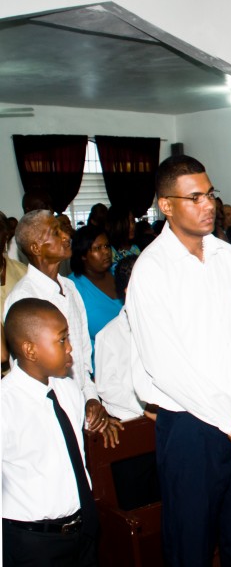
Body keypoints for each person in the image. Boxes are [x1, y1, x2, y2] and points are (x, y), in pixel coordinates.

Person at [126, 155, 231, 565]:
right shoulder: (152, 271)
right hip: (193, 428)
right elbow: (166, 365)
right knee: (190, 546)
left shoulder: (227, 257)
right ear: (166, 205)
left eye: (210, 194)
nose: (208, 205)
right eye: (194, 197)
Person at [2, 300, 107, 567]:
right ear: (30, 350)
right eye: (61, 340)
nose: (70, 347)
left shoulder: (67, 389)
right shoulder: (7, 405)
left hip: (82, 529)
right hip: (34, 541)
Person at [5, 212, 97, 404]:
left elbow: (82, 350)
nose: (66, 236)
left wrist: (90, 397)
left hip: (81, 402)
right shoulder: (23, 298)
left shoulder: (70, 287)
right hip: (52, 405)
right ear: (36, 248)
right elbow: (26, 370)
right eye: (56, 233)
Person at [89, 256, 144, 421]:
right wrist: (144, 406)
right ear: (129, 290)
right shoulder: (108, 335)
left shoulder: (161, 323)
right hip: (129, 417)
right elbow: (106, 386)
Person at [68, 224, 121, 344]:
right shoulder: (73, 287)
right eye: (97, 248)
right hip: (100, 358)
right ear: (83, 255)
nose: (106, 252)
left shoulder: (118, 273)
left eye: (107, 246)